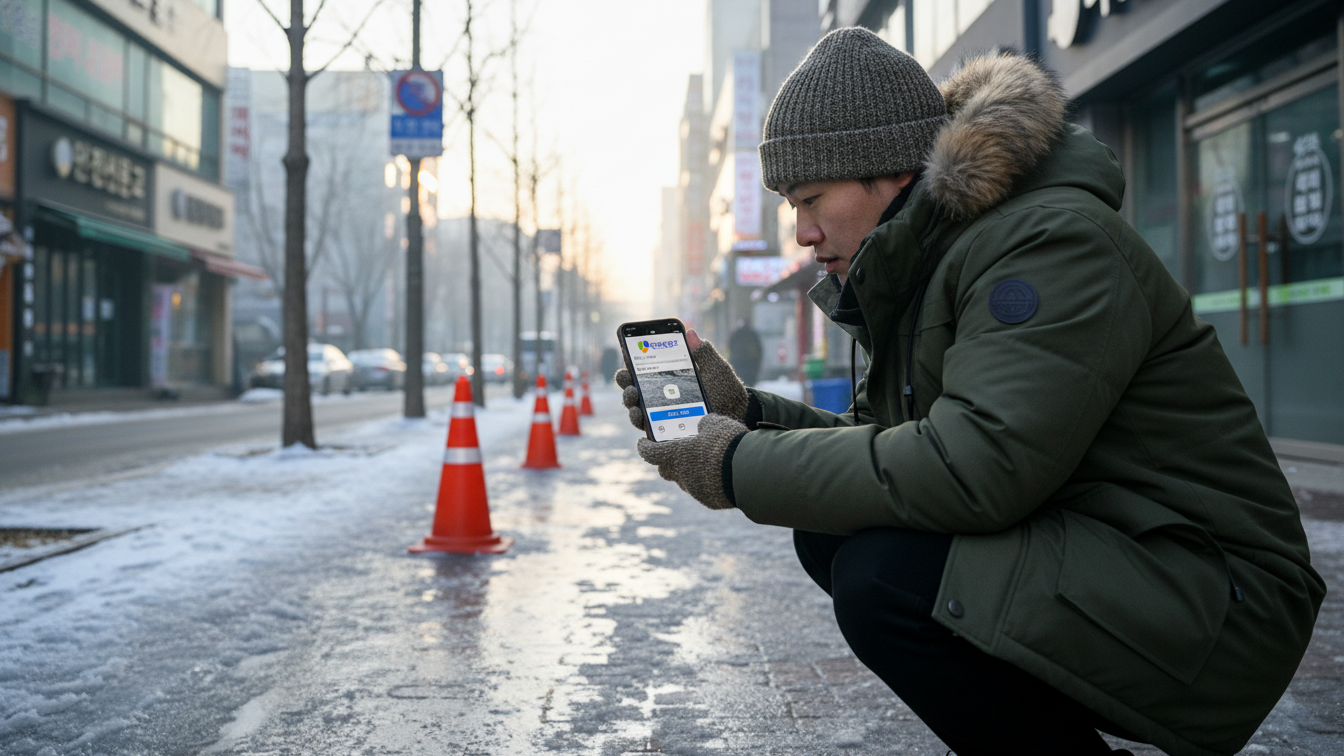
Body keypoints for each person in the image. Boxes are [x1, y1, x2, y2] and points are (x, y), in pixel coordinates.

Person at [615, 29, 1324, 756]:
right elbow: (887, 443)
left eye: (811, 199)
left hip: (1221, 597)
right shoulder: (940, 258)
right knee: (833, 533)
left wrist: (736, 464)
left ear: (890, 171)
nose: (801, 233)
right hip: (1123, 555)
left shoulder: (1047, 243)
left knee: (885, 578)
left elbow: (977, 465)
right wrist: (747, 414)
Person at [727, 319, 763, 386]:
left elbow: (730, 348)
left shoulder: (736, 334)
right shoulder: (752, 335)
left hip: (741, 364)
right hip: (749, 364)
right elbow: (759, 351)